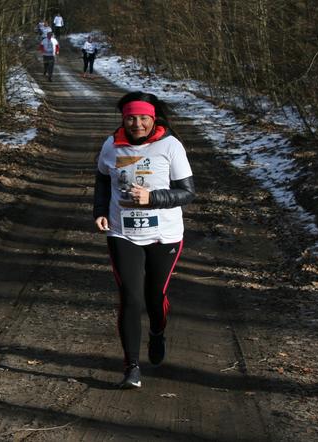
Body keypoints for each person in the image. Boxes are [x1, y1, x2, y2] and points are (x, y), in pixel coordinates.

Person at [92, 91, 195, 389]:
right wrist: (100, 210)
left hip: (165, 234)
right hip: (122, 232)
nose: (137, 124)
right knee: (131, 298)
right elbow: (101, 178)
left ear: (153, 118)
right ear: (123, 119)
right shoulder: (111, 145)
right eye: (131, 118)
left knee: (154, 298)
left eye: (143, 118)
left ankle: (158, 331)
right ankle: (132, 367)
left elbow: (188, 192)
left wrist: (153, 197)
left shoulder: (170, 146)